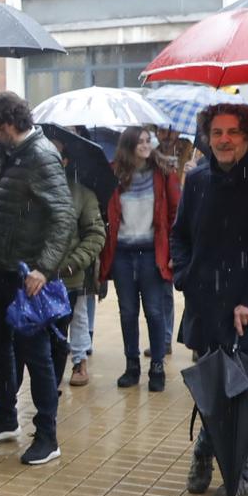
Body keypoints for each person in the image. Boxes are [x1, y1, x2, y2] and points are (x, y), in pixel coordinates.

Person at [170, 104, 248, 496]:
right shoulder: (198, 179)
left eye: (232, 132)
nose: (223, 139)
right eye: (216, 132)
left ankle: (235, 467)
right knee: (210, 387)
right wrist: (185, 275)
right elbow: (179, 235)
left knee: (245, 389)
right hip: (206, 302)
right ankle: (208, 450)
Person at [0, 92, 72, 463]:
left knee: (36, 356)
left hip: (28, 278)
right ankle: (5, 416)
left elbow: (63, 217)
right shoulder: (7, 156)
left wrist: (44, 268)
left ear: (7, 124)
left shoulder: (41, 158)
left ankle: (48, 436)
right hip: (1, 268)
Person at [101, 125, 180, 394]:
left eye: (149, 140)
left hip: (151, 254)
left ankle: (157, 366)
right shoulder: (114, 174)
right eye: (141, 141)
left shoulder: (164, 173)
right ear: (129, 145)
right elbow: (107, 214)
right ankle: (131, 365)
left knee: (155, 312)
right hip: (122, 254)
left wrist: (173, 252)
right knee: (127, 312)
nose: (146, 145)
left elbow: (174, 214)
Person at [50, 161, 107, 423]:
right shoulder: (34, 186)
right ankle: (48, 379)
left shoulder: (83, 193)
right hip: (38, 277)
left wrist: (73, 263)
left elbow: (95, 233)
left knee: (76, 318)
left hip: (73, 276)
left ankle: (78, 361)